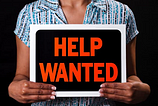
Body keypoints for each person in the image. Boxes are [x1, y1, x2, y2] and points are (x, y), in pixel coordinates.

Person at [8, 0, 150, 105]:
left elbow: (131, 76)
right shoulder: (31, 13)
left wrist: (143, 91)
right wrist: (15, 89)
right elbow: (21, 76)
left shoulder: (121, 12)